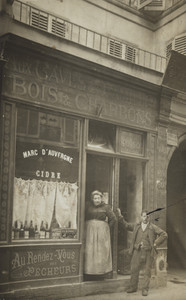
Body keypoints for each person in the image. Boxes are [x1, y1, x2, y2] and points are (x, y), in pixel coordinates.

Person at [117, 208, 167, 296]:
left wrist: (155, 243)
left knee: (147, 271)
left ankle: (145, 289)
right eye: (144, 216)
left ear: (149, 217)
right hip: (137, 251)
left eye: (147, 216)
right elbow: (126, 225)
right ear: (141, 217)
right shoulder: (137, 226)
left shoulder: (152, 227)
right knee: (134, 269)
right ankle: (133, 287)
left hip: (148, 252)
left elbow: (164, 234)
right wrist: (120, 216)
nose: (145, 218)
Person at [84, 190, 116, 279]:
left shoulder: (106, 207)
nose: (97, 200)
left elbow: (113, 219)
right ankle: (90, 272)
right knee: (90, 251)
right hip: (90, 232)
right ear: (92, 199)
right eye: (95, 198)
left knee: (100, 251)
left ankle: (101, 272)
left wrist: (106, 229)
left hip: (101, 233)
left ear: (101, 198)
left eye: (98, 198)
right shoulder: (88, 206)